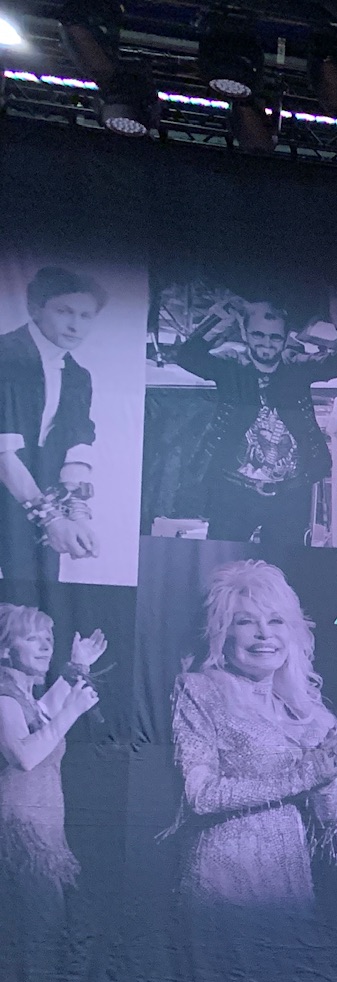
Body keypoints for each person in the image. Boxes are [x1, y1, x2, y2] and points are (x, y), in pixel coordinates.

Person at [168, 559, 337, 912]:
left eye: (276, 621)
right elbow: (200, 796)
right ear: (222, 633)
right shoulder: (200, 690)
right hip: (221, 884)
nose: (264, 634)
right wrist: (303, 775)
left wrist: (324, 777)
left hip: (288, 886)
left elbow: (336, 822)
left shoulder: (307, 711)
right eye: (245, 622)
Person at [172, 293, 337, 545]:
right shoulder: (231, 366)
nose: (266, 343)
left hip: (290, 494)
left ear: (285, 339)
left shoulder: (296, 367)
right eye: (258, 335)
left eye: (275, 337)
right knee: (225, 558)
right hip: (233, 494)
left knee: (285, 563)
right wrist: (218, 318)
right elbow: (187, 356)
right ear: (245, 333)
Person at [0, 266, 105, 580]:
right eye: (64, 311)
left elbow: (78, 438)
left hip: (30, 498)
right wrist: (51, 519)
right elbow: (3, 453)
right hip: (21, 492)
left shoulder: (77, 375)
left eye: (86, 316)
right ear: (35, 308)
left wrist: (77, 513)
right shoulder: (4, 356)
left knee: (33, 596)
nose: (75, 326)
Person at [0, 605, 103, 907]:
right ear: (5, 649)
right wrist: (72, 710)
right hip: (19, 834)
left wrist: (78, 665)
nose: (46, 646)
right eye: (33, 638)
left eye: (48, 639)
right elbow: (24, 757)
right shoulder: (4, 698)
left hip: (41, 830)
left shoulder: (23, 697)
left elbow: (45, 714)